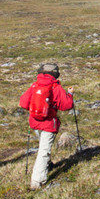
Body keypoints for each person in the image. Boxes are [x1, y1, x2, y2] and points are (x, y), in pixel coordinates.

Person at [18, 62, 74, 190]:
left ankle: (47, 166)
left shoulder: (34, 85)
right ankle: (37, 182)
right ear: (55, 74)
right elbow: (66, 105)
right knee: (44, 151)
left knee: (43, 148)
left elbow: (23, 102)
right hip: (49, 124)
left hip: (35, 122)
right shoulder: (55, 87)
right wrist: (70, 94)